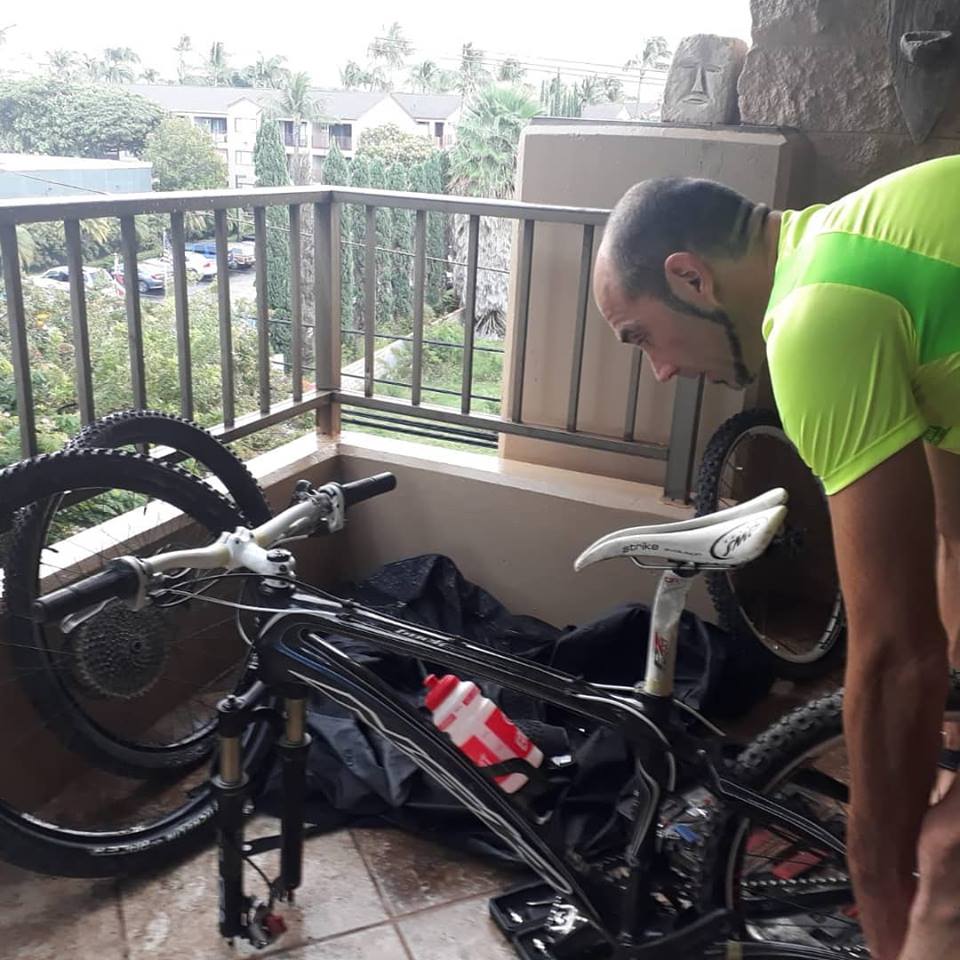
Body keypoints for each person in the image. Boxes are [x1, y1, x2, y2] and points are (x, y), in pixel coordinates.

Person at [593, 155, 960, 960]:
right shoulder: (852, 247)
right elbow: (955, 537)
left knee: (944, 874)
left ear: (690, 277)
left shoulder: (816, 317)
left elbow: (896, 651)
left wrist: (877, 871)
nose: (660, 370)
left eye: (641, 337)